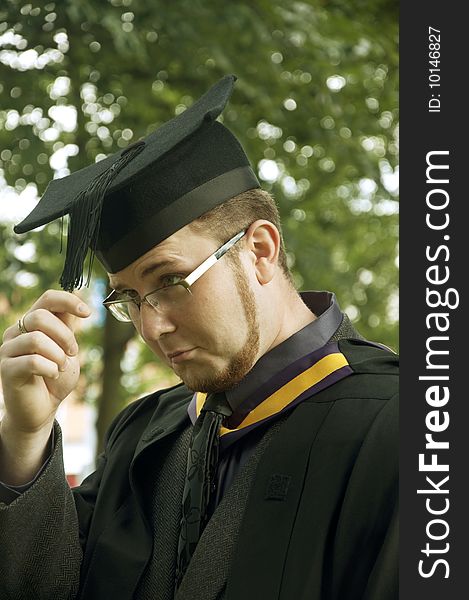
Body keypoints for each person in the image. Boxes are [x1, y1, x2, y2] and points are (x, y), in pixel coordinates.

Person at [0, 75, 398, 600]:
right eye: (128, 299)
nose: (151, 326)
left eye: (170, 281)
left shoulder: (403, 431)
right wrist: (26, 437)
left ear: (260, 249)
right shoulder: (146, 433)